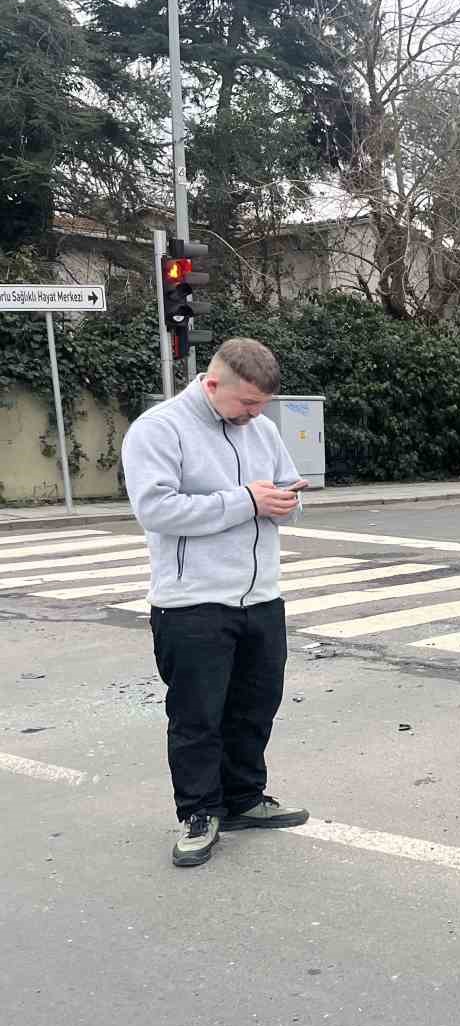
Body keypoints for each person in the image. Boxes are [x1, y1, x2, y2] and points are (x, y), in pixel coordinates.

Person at [121, 338, 312, 868]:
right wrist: (248, 500)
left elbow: (285, 494)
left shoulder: (264, 430)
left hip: (262, 596)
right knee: (198, 717)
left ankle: (245, 798)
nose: (255, 415)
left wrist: (285, 502)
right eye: (247, 403)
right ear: (211, 384)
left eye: (262, 406)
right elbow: (157, 510)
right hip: (192, 602)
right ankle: (200, 812)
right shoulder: (159, 430)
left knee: (255, 706)